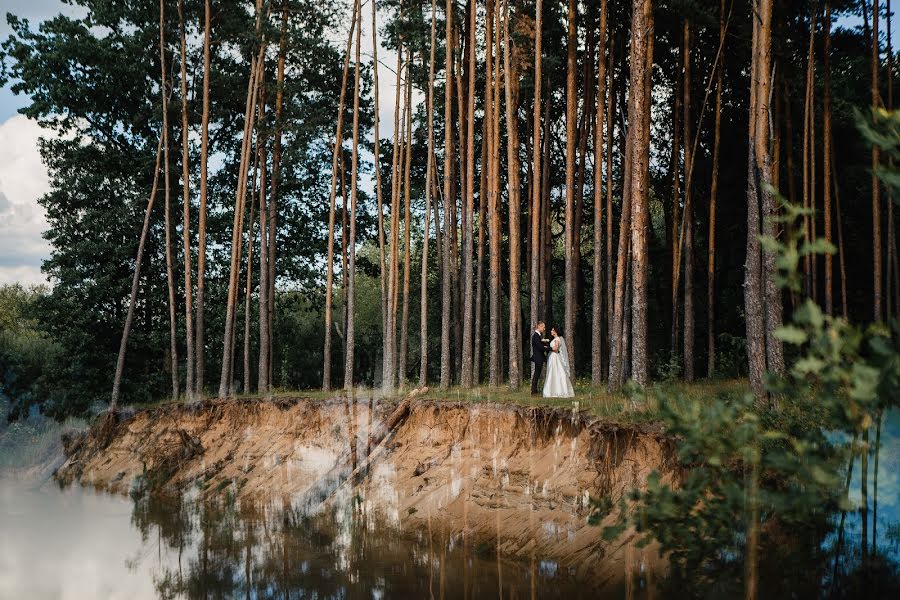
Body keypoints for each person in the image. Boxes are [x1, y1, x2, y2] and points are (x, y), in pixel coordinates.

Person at [543, 327, 574, 398]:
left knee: (555, 372)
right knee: (553, 372)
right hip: (552, 357)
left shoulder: (557, 339)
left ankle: (557, 391)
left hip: (554, 357)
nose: (551, 331)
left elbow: (556, 348)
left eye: (552, 330)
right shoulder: (554, 339)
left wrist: (546, 348)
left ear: (555, 331)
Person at [530, 321, 548, 395]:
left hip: (539, 357)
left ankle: (534, 390)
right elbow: (540, 348)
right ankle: (533, 391)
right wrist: (551, 348)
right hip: (538, 358)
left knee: (537, 374)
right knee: (536, 374)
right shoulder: (535, 336)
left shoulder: (538, 336)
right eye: (543, 327)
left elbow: (540, 346)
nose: (544, 329)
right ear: (539, 327)